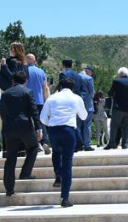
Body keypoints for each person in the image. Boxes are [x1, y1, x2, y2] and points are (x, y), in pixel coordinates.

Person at [40, 77, 87, 208]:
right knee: (67, 162)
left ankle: (58, 173)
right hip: (69, 131)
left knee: (56, 151)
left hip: (54, 131)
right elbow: (83, 116)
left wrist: (51, 125)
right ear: (73, 87)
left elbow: (42, 118)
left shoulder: (52, 98)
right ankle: (65, 198)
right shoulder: (76, 98)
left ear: (61, 85)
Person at [0, 70, 41, 198]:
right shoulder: (27, 92)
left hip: (9, 129)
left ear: (13, 81)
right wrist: (38, 128)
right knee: (33, 147)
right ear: (25, 81)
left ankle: (9, 189)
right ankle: (25, 172)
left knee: (10, 158)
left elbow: (1, 111)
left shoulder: (5, 94)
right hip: (25, 128)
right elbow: (34, 111)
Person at [25, 54, 51, 154]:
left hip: (27, 100)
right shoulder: (41, 72)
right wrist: (46, 101)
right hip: (40, 101)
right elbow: (45, 88)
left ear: (27, 60)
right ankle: (45, 141)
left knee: (29, 122)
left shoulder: (24, 71)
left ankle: (36, 144)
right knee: (40, 122)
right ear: (35, 61)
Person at [106, 67, 128, 149]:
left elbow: (110, 93)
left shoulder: (116, 81)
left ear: (120, 74)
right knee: (126, 127)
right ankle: (125, 144)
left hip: (118, 108)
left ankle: (112, 143)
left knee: (114, 126)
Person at [77, 66, 96, 151]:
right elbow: (92, 93)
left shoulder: (75, 77)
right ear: (88, 71)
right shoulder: (89, 78)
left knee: (78, 125)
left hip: (77, 105)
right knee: (87, 125)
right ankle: (87, 145)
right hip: (87, 105)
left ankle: (78, 144)